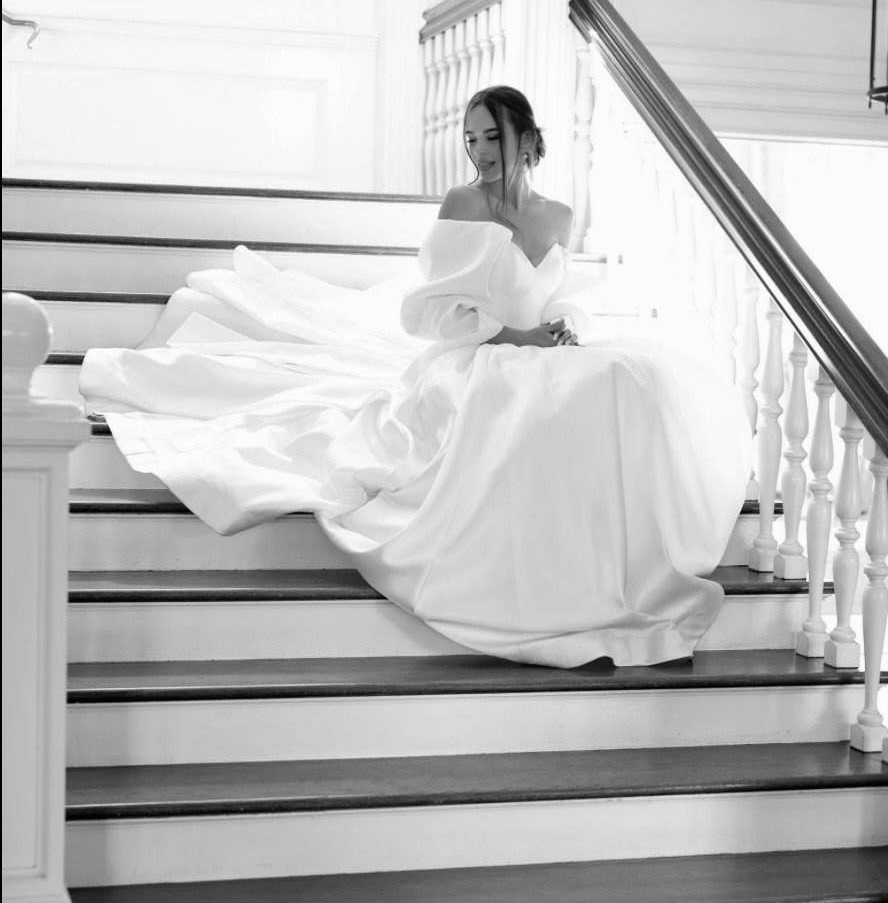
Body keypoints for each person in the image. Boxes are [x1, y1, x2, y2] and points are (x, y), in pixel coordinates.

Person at [79, 85, 751, 668]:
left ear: (527, 137)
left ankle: (623, 567)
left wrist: (563, 323)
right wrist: (515, 336)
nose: (481, 150)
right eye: (470, 138)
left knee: (636, 379)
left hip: (537, 347)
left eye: (493, 135)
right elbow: (432, 312)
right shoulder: (465, 203)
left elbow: (557, 294)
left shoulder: (560, 216)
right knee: (521, 406)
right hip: (472, 352)